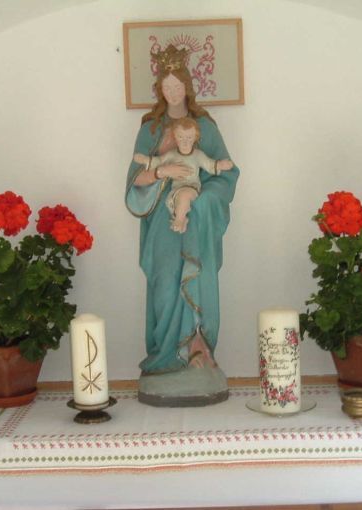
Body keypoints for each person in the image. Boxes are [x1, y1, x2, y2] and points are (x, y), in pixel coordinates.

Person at [125, 44, 240, 385]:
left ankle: (197, 351)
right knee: (165, 283)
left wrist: (203, 202)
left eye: (178, 85)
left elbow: (224, 174)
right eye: (167, 86)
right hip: (161, 222)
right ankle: (165, 356)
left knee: (195, 277)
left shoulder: (205, 127)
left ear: (188, 86)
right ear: (160, 89)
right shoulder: (150, 129)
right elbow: (135, 180)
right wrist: (162, 172)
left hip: (195, 219)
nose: (173, 92)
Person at [133, 116, 234, 233]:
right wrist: (146, 160)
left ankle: (179, 220)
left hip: (192, 187)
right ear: (175, 137)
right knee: (180, 198)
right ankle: (182, 219)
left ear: (195, 137)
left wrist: (220, 165)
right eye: (180, 137)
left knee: (185, 196)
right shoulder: (172, 155)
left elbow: (210, 165)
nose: (185, 141)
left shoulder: (198, 155)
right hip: (176, 189)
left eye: (189, 137)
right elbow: (159, 161)